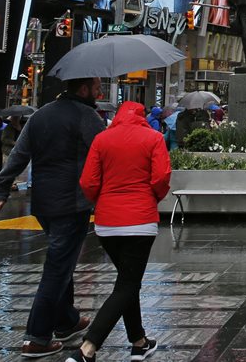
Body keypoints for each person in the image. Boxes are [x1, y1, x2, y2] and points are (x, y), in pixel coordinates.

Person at [0, 77, 106, 358]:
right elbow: (105, 151)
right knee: (57, 267)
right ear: (84, 88)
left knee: (62, 259)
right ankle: (36, 337)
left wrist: (0, 189)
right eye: (97, 87)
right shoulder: (86, 116)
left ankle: (66, 320)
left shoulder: (40, 115)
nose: (100, 92)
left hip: (43, 203)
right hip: (72, 202)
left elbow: (19, 155)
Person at [68, 101, 170, 362]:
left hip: (107, 222)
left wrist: (101, 201)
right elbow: (160, 177)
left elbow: (88, 181)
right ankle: (88, 347)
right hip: (140, 220)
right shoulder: (154, 138)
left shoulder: (102, 140)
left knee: (127, 280)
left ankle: (139, 341)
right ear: (142, 116)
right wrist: (151, 199)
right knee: (127, 284)